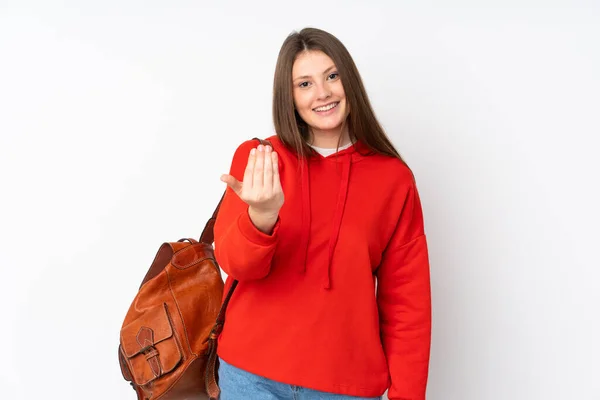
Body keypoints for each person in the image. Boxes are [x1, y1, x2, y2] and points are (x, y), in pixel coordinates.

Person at [213, 27, 431, 400]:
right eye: (305, 84)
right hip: (249, 377)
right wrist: (261, 217)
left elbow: (407, 303)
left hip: (343, 386)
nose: (323, 93)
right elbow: (234, 264)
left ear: (350, 81)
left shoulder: (393, 179)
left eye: (332, 76)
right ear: (290, 96)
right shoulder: (261, 158)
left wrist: (407, 395)